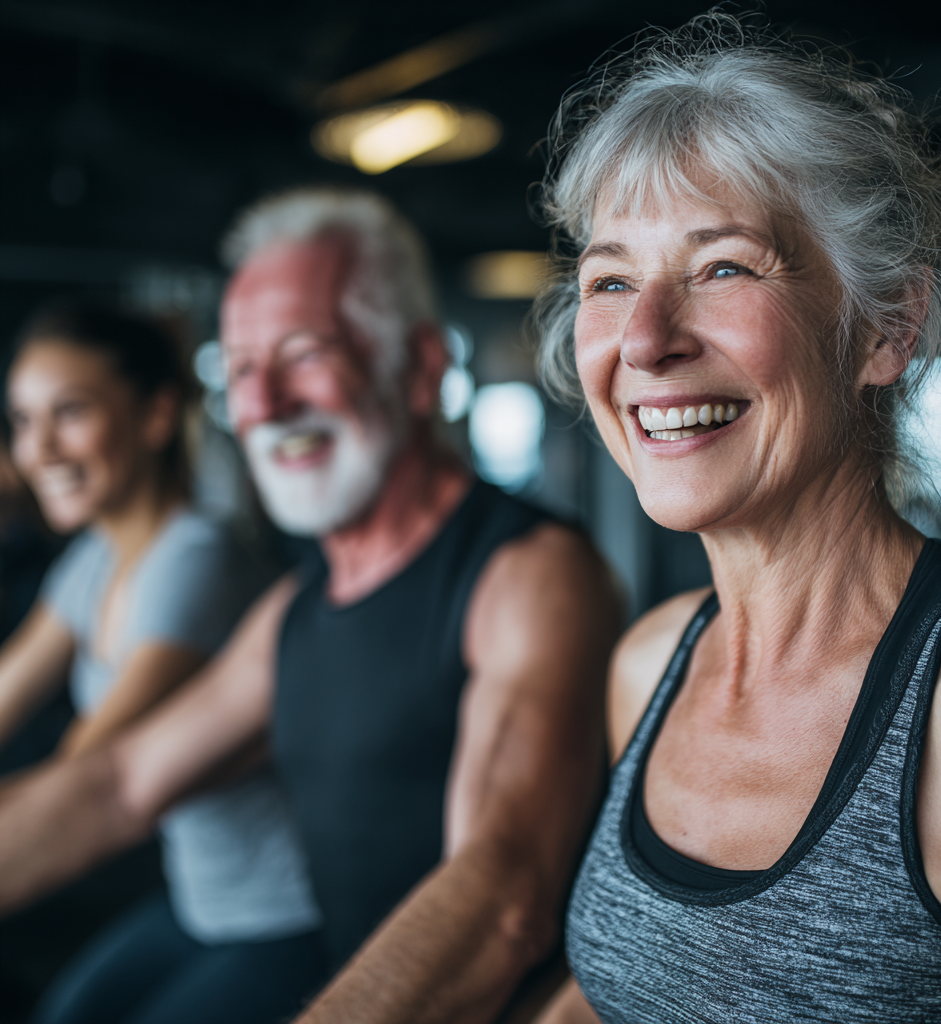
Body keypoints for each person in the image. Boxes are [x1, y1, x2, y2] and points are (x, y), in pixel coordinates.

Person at [0, 190, 620, 1023]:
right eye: (242, 370)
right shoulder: (299, 604)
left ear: (421, 367)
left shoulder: (528, 573)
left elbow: (500, 892)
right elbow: (119, 784)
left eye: (305, 354)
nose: (264, 404)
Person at [528, 14, 941, 1023]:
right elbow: (644, 981)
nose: (645, 340)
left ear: (886, 327)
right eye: (610, 281)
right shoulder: (649, 666)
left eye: (723, 267)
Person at [0, 301, 325, 1024]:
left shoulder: (194, 561)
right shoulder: (95, 560)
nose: (38, 449)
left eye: (70, 412)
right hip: (199, 903)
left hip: (283, 916)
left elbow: (86, 778)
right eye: (22, 420)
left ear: (155, 415)